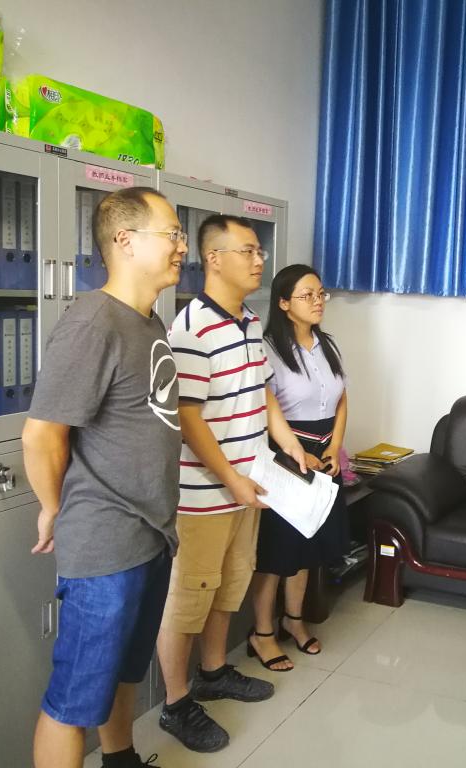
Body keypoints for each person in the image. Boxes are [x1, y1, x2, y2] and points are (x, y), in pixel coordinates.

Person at [23, 187, 187, 768]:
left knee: (122, 673)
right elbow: (42, 434)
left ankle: (120, 761)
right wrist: (53, 507)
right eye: (171, 233)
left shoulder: (148, 321)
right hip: (106, 544)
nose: (182, 246)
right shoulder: (93, 321)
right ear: (125, 240)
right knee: (74, 700)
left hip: (151, 534)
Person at [155, 215, 307, 753]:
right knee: (187, 601)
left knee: (228, 586)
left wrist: (287, 441)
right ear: (214, 259)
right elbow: (188, 419)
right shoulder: (190, 329)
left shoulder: (248, 320)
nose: (259, 259)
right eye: (248, 250)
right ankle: (176, 704)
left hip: (249, 485)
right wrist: (230, 479)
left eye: (259, 250)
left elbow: (263, 391)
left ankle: (214, 672)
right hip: (204, 495)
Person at [247, 264, 349, 671]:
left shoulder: (327, 345)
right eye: (308, 295)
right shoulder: (268, 349)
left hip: (325, 452)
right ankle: (262, 633)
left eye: (321, 293)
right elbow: (266, 407)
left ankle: (294, 620)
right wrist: (296, 452)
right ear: (284, 303)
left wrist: (336, 447)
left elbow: (341, 398)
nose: (318, 301)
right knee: (277, 552)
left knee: (309, 547)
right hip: (285, 454)